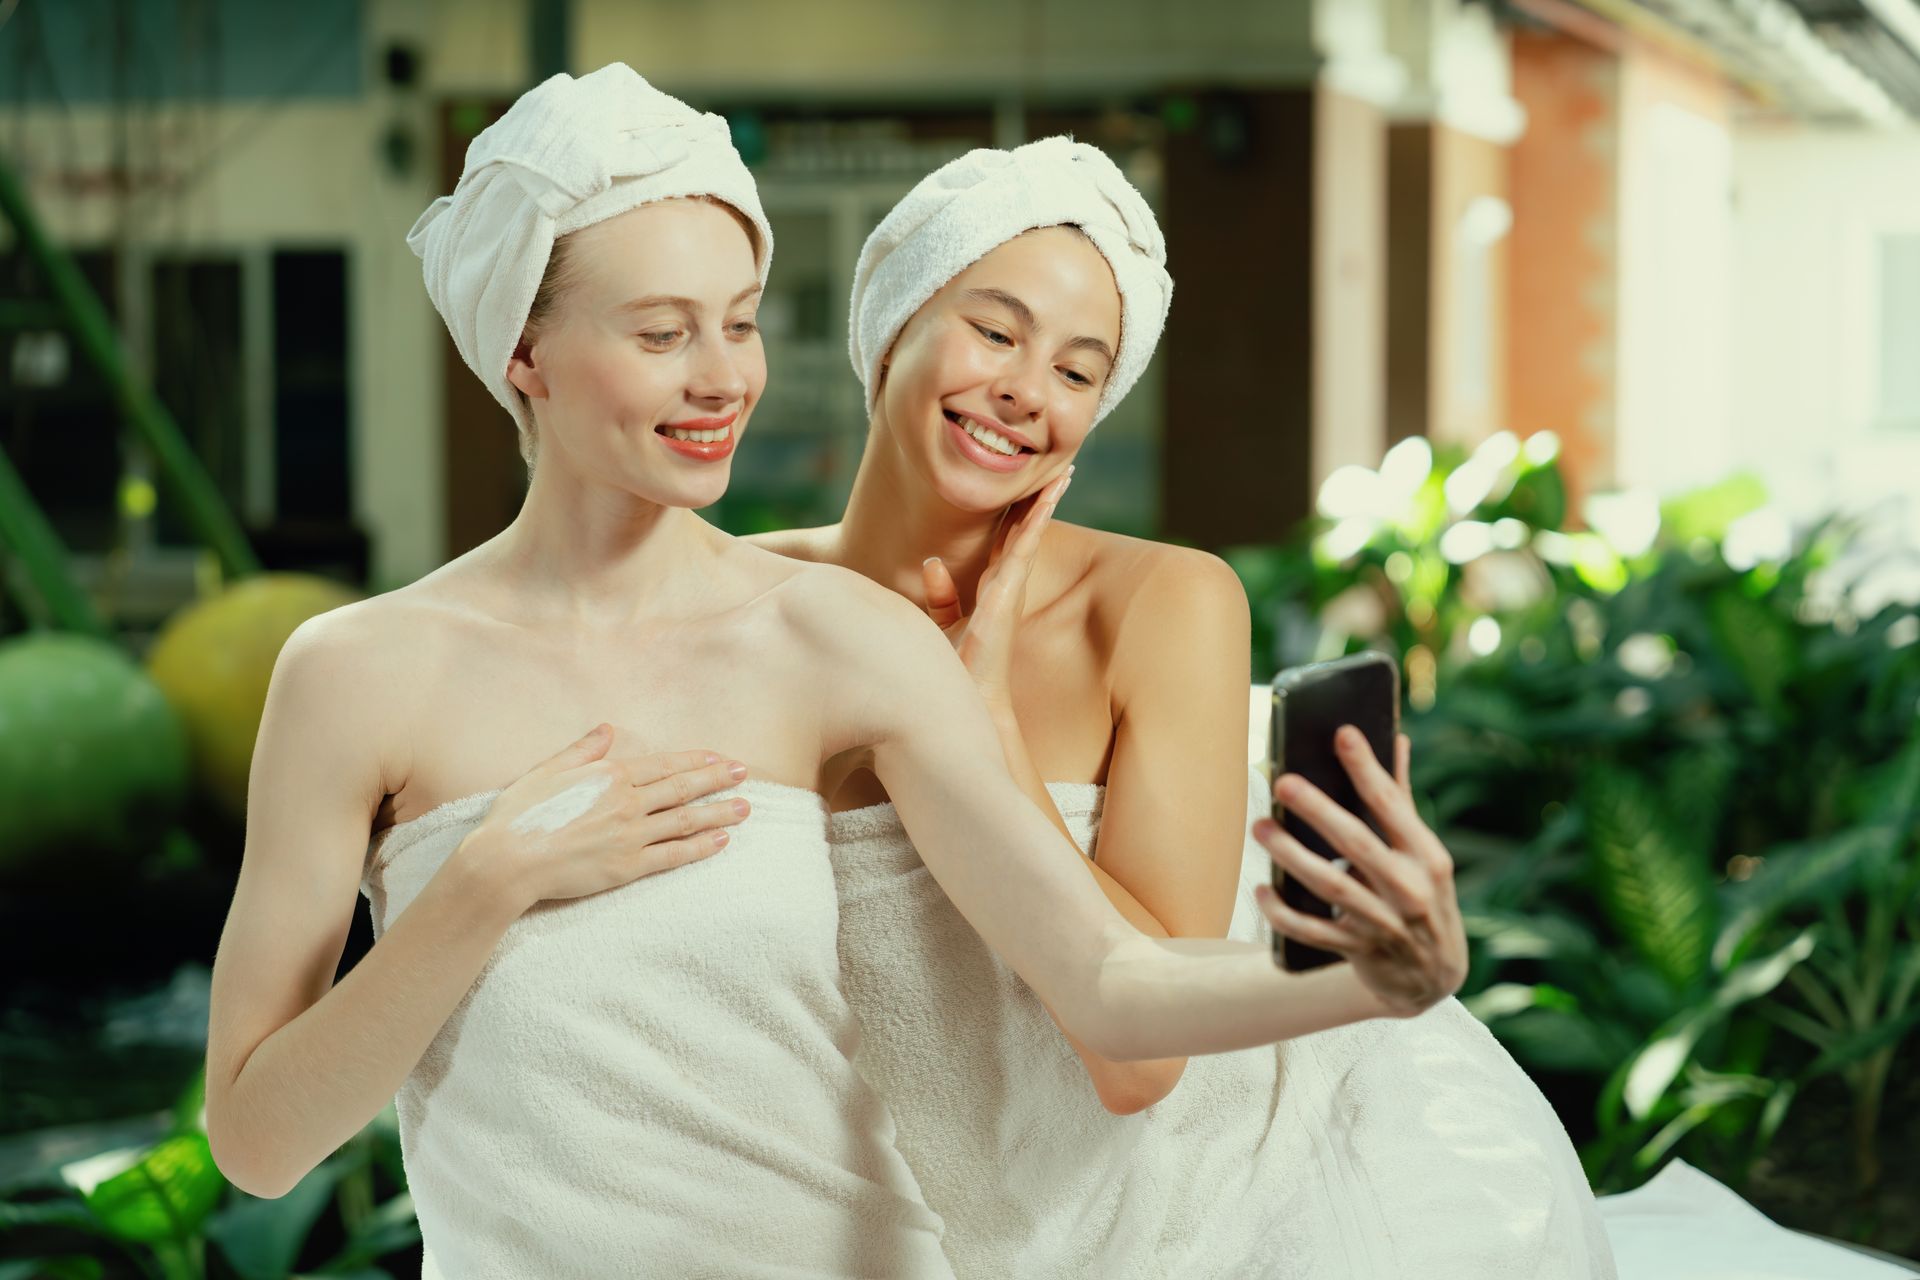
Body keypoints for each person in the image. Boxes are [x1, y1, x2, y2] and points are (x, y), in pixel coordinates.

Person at [204, 66, 1465, 1279]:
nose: (722, 378)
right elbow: (258, 1143)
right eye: (661, 331)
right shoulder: (353, 674)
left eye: (742, 323)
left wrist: (1366, 976)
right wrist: (485, 882)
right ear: (523, 350)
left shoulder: (840, 636)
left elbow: (1109, 982)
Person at [751, 137, 1619, 1277]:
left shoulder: (1163, 601)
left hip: (1224, 1173)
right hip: (891, 1203)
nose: (1025, 389)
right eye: (995, 331)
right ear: (890, 326)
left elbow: (1141, 1054)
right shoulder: (737, 605)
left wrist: (985, 721)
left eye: (1077, 369)